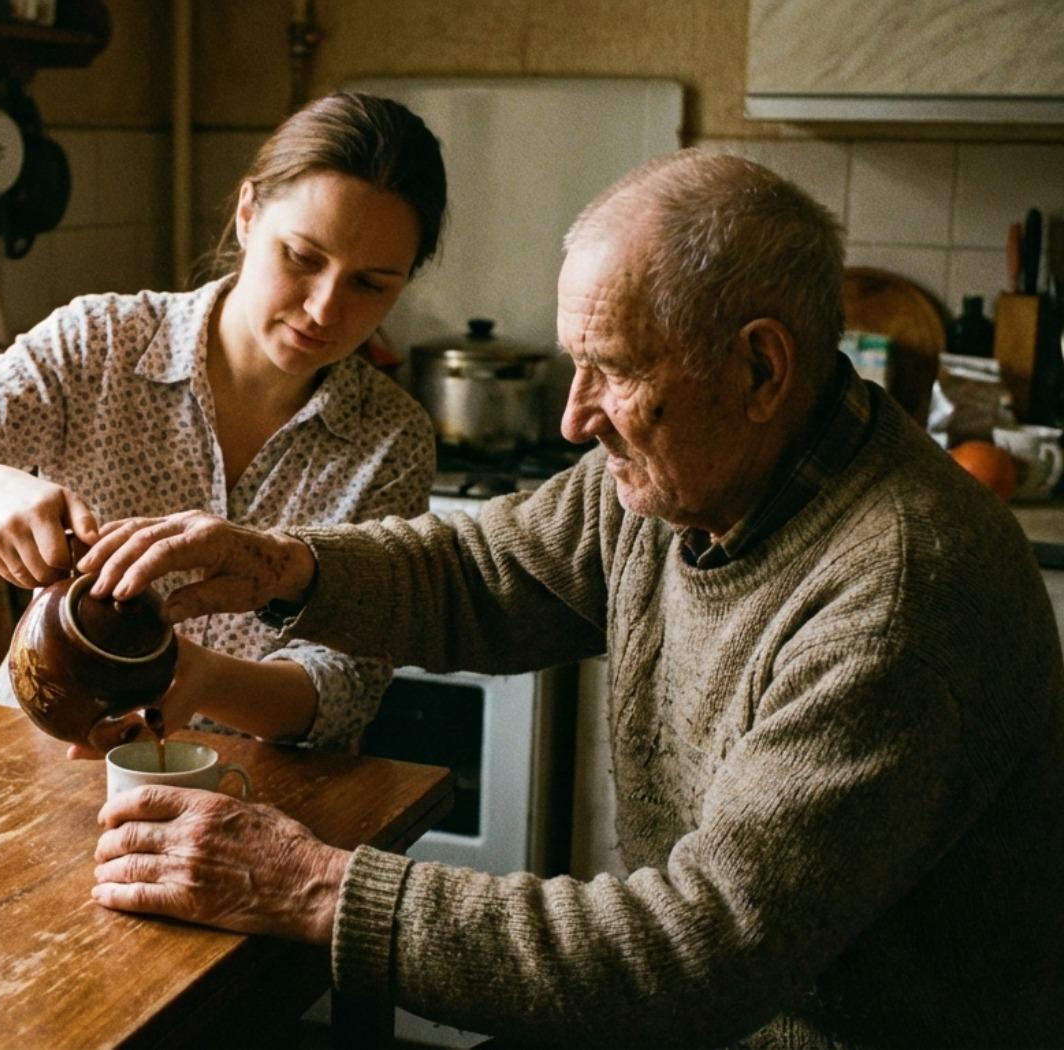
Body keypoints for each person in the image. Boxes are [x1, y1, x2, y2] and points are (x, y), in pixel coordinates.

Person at [74, 150, 1064, 1048]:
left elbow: (691, 952)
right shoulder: (694, 475)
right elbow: (486, 571)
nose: (572, 413)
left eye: (615, 371)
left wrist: (320, 888)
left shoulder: (894, 601)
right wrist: (282, 565)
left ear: (762, 368)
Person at [0, 92, 445, 751]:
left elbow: (345, 690)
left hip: (244, 794)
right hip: (42, 757)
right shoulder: (102, 341)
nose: (324, 309)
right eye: (302, 258)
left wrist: (205, 681)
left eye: (371, 284)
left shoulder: (391, 437)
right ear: (248, 215)